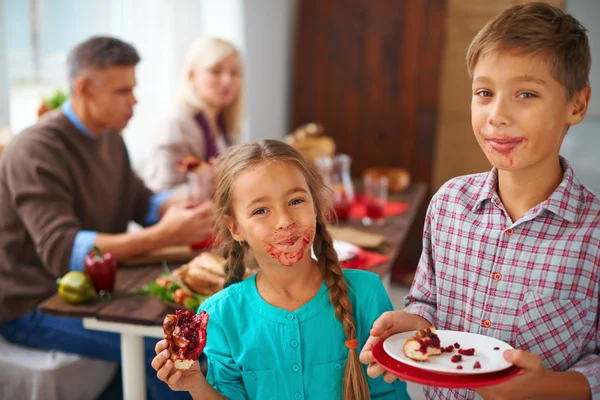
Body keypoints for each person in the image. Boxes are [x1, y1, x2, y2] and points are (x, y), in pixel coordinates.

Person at [360, 3, 600, 400]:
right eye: (484, 92)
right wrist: (409, 324)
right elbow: (427, 305)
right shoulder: (448, 204)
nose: (497, 115)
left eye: (525, 94)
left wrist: (550, 388)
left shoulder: (592, 235)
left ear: (576, 104)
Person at [0, 36, 212, 400]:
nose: (134, 101)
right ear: (84, 87)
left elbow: (142, 203)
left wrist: (182, 206)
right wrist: (162, 236)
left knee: (196, 332)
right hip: (30, 306)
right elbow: (61, 249)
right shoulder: (36, 149)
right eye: (123, 91)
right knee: (168, 352)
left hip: (93, 292)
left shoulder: (110, 139)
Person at [151, 139, 409, 399]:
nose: (285, 221)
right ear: (235, 227)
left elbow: (389, 392)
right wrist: (196, 384)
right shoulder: (219, 314)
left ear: (316, 206)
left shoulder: (366, 293)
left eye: (296, 201)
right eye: (261, 210)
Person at [144, 37, 244, 199]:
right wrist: (212, 181)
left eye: (234, 73)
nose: (227, 81)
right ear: (192, 75)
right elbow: (159, 197)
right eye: (216, 71)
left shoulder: (226, 126)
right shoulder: (177, 125)